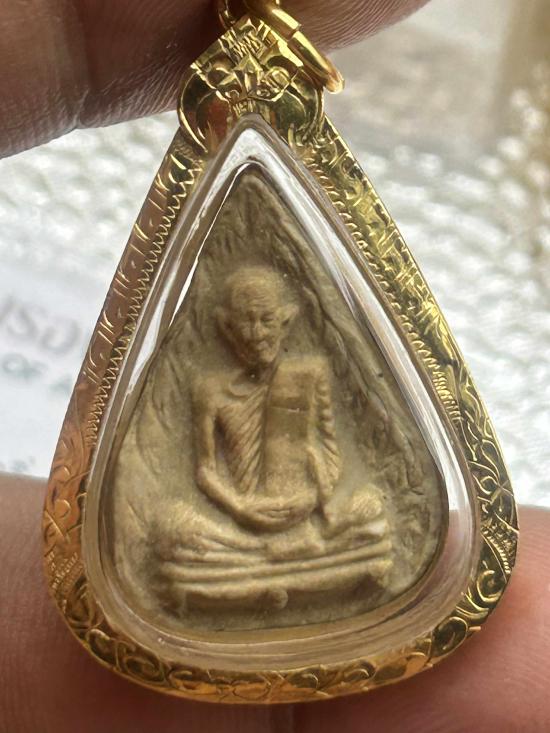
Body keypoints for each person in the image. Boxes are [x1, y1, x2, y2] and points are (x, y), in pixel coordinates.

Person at [0, 1, 548, 732]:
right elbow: (205, 472)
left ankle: (293, 565)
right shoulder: (210, 386)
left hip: (317, 522)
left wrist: (315, 498)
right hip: (234, 531)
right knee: (174, 534)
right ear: (225, 327)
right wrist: (244, 511)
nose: (258, 332)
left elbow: (328, 451)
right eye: (245, 322)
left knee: (370, 514)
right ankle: (274, 569)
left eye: (270, 320)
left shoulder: (309, 376)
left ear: (287, 322)